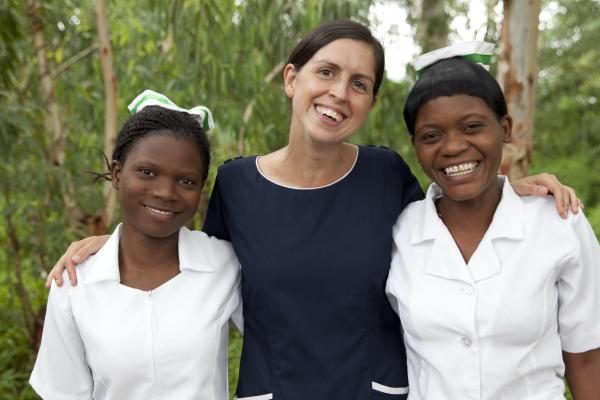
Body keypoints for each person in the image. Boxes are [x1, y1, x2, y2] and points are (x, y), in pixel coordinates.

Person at [47, 22, 581, 400]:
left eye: (359, 84)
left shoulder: (385, 174)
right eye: (325, 72)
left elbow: (452, 222)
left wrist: (517, 190)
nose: (338, 93)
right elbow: (191, 263)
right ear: (291, 79)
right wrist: (107, 247)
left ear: (370, 103)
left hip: (378, 391)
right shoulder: (237, 183)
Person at [386, 43, 600, 400]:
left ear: (505, 128)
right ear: (415, 145)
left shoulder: (558, 223)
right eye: (431, 136)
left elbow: (587, 358)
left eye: (471, 127)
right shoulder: (399, 231)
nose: (452, 147)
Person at [31, 91, 241, 400]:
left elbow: (286, 344)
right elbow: (64, 392)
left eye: (186, 181)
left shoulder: (225, 264)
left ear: (201, 188)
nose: (166, 192)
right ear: (117, 174)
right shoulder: (75, 282)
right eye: (147, 172)